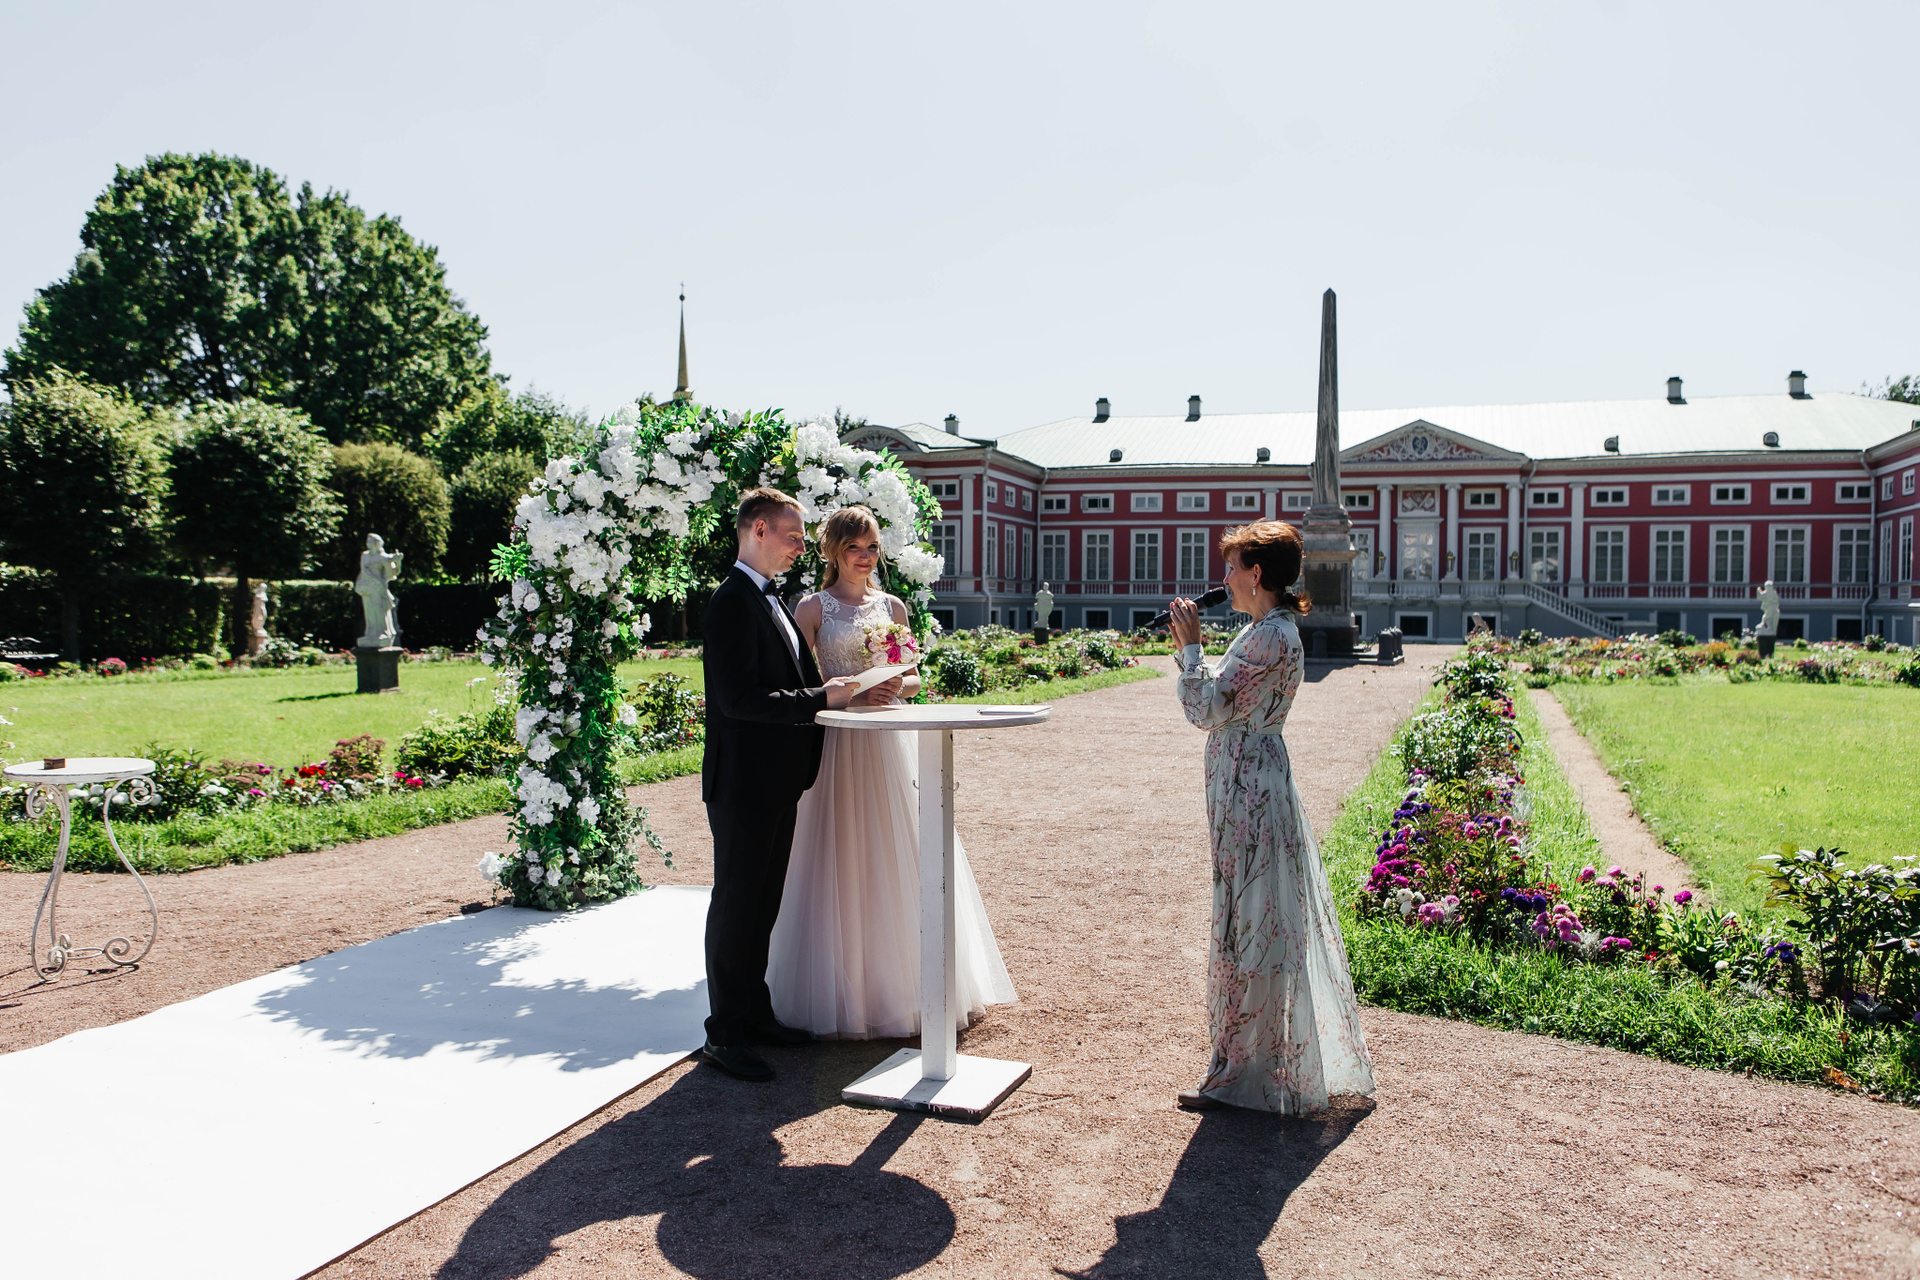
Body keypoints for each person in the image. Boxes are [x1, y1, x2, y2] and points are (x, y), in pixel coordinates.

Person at [769, 505, 1016, 1038]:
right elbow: (800, 681)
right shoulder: (811, 608)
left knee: (902, 847)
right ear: (833, 551)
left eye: (872, 547)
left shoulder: (892, 606)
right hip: (840, 740)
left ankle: (907, 988)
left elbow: (914, 677)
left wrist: (895, 685)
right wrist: (853, 691)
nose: (865, 557)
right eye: (854, 547)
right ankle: (842, 992)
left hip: (891, 738)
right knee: (839, 851)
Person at [1164, 521, 1376, 1113]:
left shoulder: (1268, 638)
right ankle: (1247, 1064)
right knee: (1250, 917)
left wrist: (1191, 649)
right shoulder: (1267, 630)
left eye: (1231, 567)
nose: (1225, 578)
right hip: (1250, 782)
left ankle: (1244, 1074)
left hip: (1249, 791)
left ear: (1256, 574)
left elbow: (1206, 710)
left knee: (1249, 920)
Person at [700, 488, 863, 1082]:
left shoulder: (771, 599)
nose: (800, 547)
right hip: (743, 782)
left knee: (763, 903)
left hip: (777, 779)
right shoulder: (731, 602)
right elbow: (738, 700)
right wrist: (823, 698)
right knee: (736, 905)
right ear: (759, 530)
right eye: (794, 537)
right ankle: (723, 1034)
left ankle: (755, 1015)